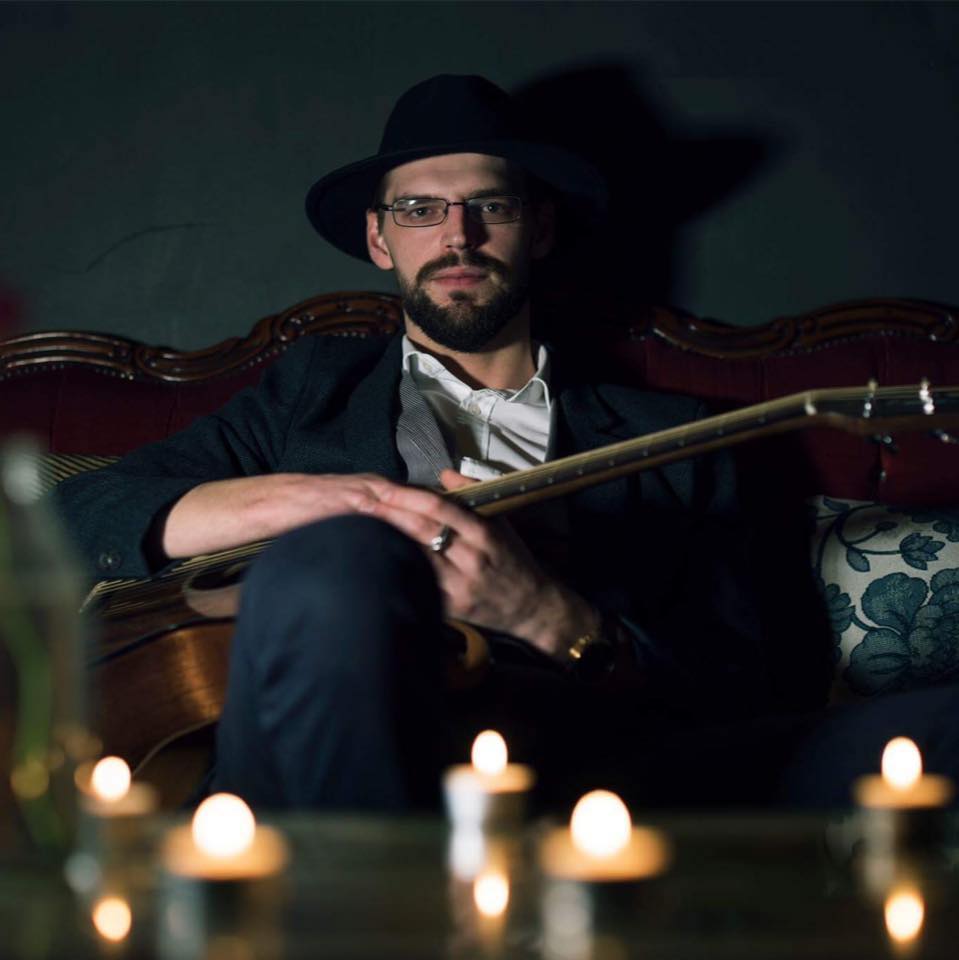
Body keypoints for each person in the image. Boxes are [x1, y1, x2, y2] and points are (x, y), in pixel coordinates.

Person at [55, 75, 959, 813]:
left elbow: (748, 686)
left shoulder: (675, 439)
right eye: (419, 209)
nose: (458, 236)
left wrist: (545, 615)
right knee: (335, 565)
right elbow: (74, 513)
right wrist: (334, 505)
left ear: (541, 228)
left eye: (490, 204)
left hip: (594, 772)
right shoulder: (309, 394)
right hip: (344, 741)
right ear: (378, 239)